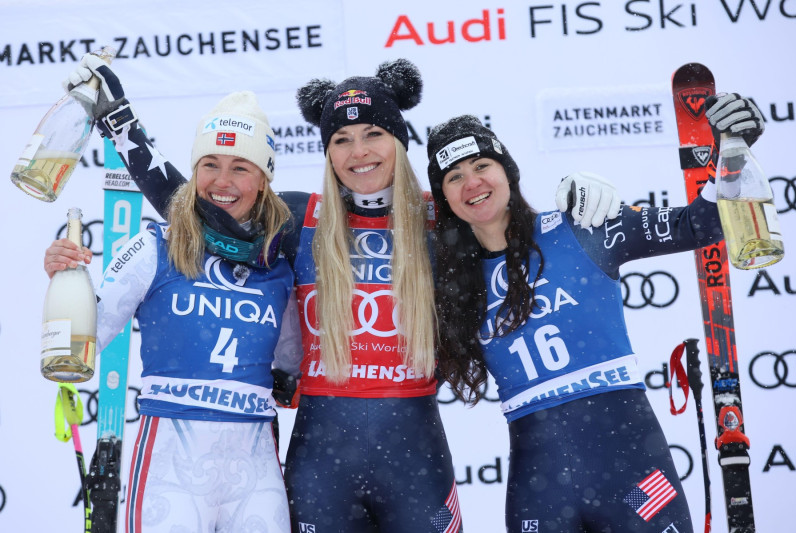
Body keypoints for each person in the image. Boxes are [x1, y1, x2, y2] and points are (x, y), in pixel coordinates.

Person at [64, 54, 618, 532]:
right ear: (328, 153)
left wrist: (581, 197)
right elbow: (200, 208)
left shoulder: (442, 220)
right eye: (342, 139)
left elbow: (511, 223)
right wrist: (122, 123)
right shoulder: (300, 219)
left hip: (415, 458)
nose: (359, 151)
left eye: (373, 133)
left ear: (398, 140)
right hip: (321, 462)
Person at [424, 94, 765, 533]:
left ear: (507, 171)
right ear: (444, 198)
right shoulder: (449, 285)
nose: (472, 183)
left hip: (632, 473)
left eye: (481, 166)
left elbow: (698, 224)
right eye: (454, 177)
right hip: (542, 491)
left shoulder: (582, 227)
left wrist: (732, 151)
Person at [43, 90, 295, 533]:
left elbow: (295, 369)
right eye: (209, 164)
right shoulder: (155, 246)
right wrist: (65, 279)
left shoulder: (279, 265)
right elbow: (80, 341)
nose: (222, 180)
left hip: (255, 465)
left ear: (263, 180)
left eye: (240, 167)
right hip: (170, 463)